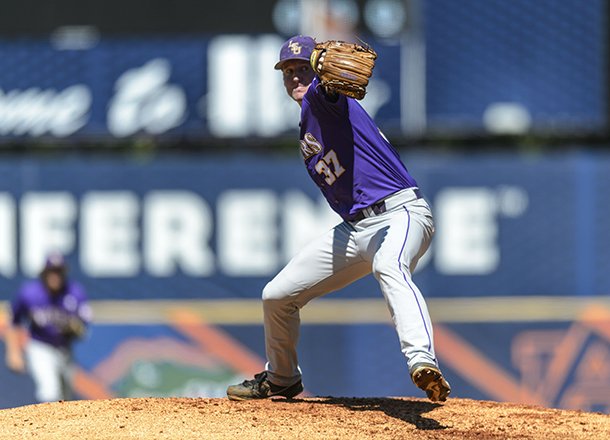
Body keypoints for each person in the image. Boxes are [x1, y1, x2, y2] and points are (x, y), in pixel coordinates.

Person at [226, 35, 450, 402]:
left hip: (400, 213)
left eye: (302, 68)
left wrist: (323, 80)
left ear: (317, 69)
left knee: (389, 266)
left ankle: (422, 360)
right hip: (356, 229)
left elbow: (328, 90)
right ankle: (281, 376)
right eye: (288, 71)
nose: (296, 77)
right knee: (276, 296)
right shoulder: (308, 125)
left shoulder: (323, 100)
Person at [5, 253, 92, 403]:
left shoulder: (74, 293)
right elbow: (14, 322)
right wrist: (13, 352)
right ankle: (47, 426)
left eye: (58, 272)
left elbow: (85, 324)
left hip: (65, 349)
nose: (55, 276)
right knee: (49, 392)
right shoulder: (30, 294)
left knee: (66, 397)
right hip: (39, 345)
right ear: (44, 273)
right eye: (51, 272)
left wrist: (76, 328)